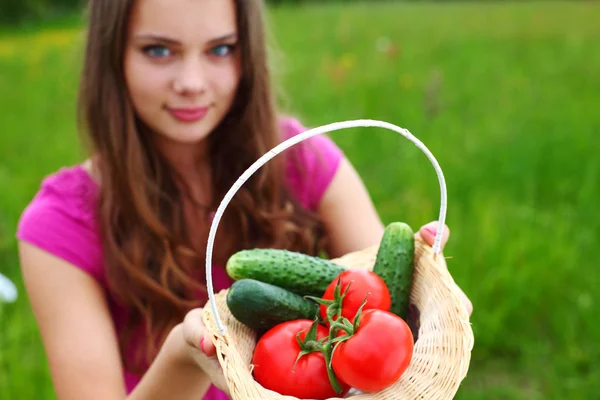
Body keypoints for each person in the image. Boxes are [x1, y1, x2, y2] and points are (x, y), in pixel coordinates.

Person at [16, 0, 472, 399]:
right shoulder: (58, 224)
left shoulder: (300, 157)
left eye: (220, 49)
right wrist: (182, 354)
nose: (192, 82)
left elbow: (383, 308)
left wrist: (427, 291)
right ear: (111, 56)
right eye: (159, 50)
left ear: (247, 54)